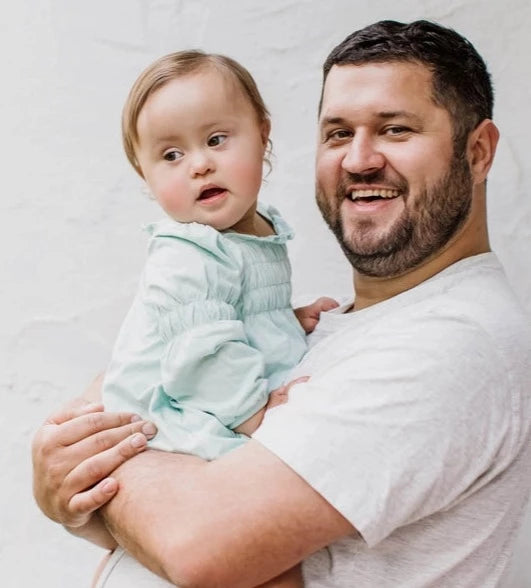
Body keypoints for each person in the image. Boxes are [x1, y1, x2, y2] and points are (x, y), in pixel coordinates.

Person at [32, 19, 531, 587]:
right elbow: (152, 523)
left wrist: (92, 469)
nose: (359, 160)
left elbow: (197, 547)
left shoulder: (455, 340)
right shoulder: (320, 326)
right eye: (338, 133)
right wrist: (72, 493)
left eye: (395, 130)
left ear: (479, 152)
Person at [101, 49, 335, 463]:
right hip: (168, 417)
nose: (200, 165)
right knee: (272, 470)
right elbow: (202, 357)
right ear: (146, 176)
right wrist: (257, 415)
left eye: (215, 140)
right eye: (172, 155)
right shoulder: (189, 254)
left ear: (263, 135)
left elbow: (234, 314)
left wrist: (284, 322)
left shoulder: (253, 228)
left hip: (216, 394)